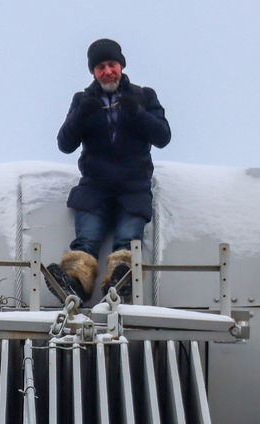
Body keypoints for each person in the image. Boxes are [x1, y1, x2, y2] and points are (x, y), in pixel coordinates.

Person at [46, 38, 171, 302]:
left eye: (111, 64)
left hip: (133, 186)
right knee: (86, 241)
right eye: (101, 67)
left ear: (121, 66)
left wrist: (137, 113)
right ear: (93, 71)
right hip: (95, 187)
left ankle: (120, 285)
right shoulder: (82, 100)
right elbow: (65, 144)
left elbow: (163, 136)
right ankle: (74, 286)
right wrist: (81, 115)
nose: (107, 71)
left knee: (128, 241)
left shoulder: (143, 95)